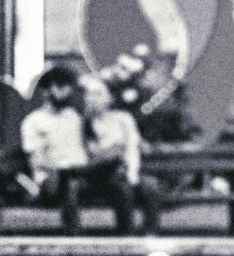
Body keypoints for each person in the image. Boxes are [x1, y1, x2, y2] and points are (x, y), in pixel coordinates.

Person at [78, 73, 160, 234]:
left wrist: (132, 174)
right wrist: (114, 151)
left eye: (98, 94)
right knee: (122, 188)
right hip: (99, 176)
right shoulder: (84, 123)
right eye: (90, 94)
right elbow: (92, 154)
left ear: (109, 98)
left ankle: (151, 234)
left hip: (126, 170)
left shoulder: (123, 119)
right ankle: (126, 235)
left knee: (150, 186)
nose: (94, 99)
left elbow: (131, 146)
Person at [19, 65, 90, 231]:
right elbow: (36, 161)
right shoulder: (34, 121)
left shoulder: (75, 117)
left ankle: (127, 235)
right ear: (46, 91)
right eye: (60, 87)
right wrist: (63, 169)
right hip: (52, 178)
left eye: (67, 87)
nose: (65, 92)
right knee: (70, 183)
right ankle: (73, 234)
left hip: (81, 173)